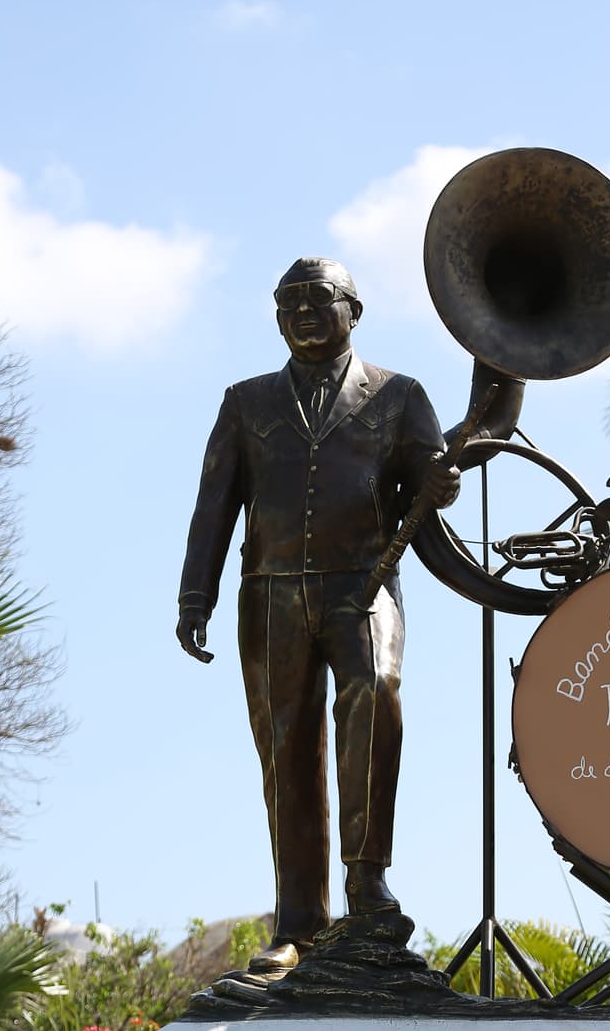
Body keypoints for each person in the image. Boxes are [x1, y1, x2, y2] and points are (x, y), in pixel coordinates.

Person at [176, 256, 460, 974]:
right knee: (286, 749)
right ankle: (297, 925)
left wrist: (442, 481)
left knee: (375, 692)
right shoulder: (245, 401)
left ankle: (367, 886)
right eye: (287, 301)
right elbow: (215, 505)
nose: (302, 310)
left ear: (353, 312)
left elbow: (431, 487)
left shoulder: (400, 395)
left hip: (363, 585)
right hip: (269, 592)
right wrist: (193, 597)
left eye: (318, 298)